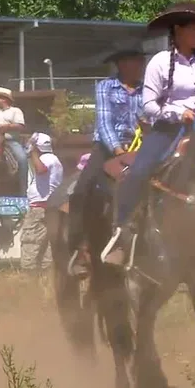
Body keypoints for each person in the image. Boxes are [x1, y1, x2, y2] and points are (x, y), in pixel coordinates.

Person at [101, 1, 195, 266]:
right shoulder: (159, 62)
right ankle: (123, 233)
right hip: (167, 131)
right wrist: (179, 114)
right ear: (178, 30)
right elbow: (149, 105)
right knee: (138, 173)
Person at [67, 49, 146, 276]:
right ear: (121, 64)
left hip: (141, 147)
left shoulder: (147, 90)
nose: (141, 64)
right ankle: (81, 247)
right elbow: (104, 122)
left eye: (142, 60)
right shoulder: (105, 87)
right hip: (108, 147)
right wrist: (119, 150)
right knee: (82, 189)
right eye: (136, 60)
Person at [21, 133, 63, 271]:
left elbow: (41, 169)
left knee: (30, 242)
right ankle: (46, 278)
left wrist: (32, 152)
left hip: (39, 208)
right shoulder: (54, 158)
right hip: (49, 207)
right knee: (46, 246)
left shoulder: (46, 159)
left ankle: (29, 278)